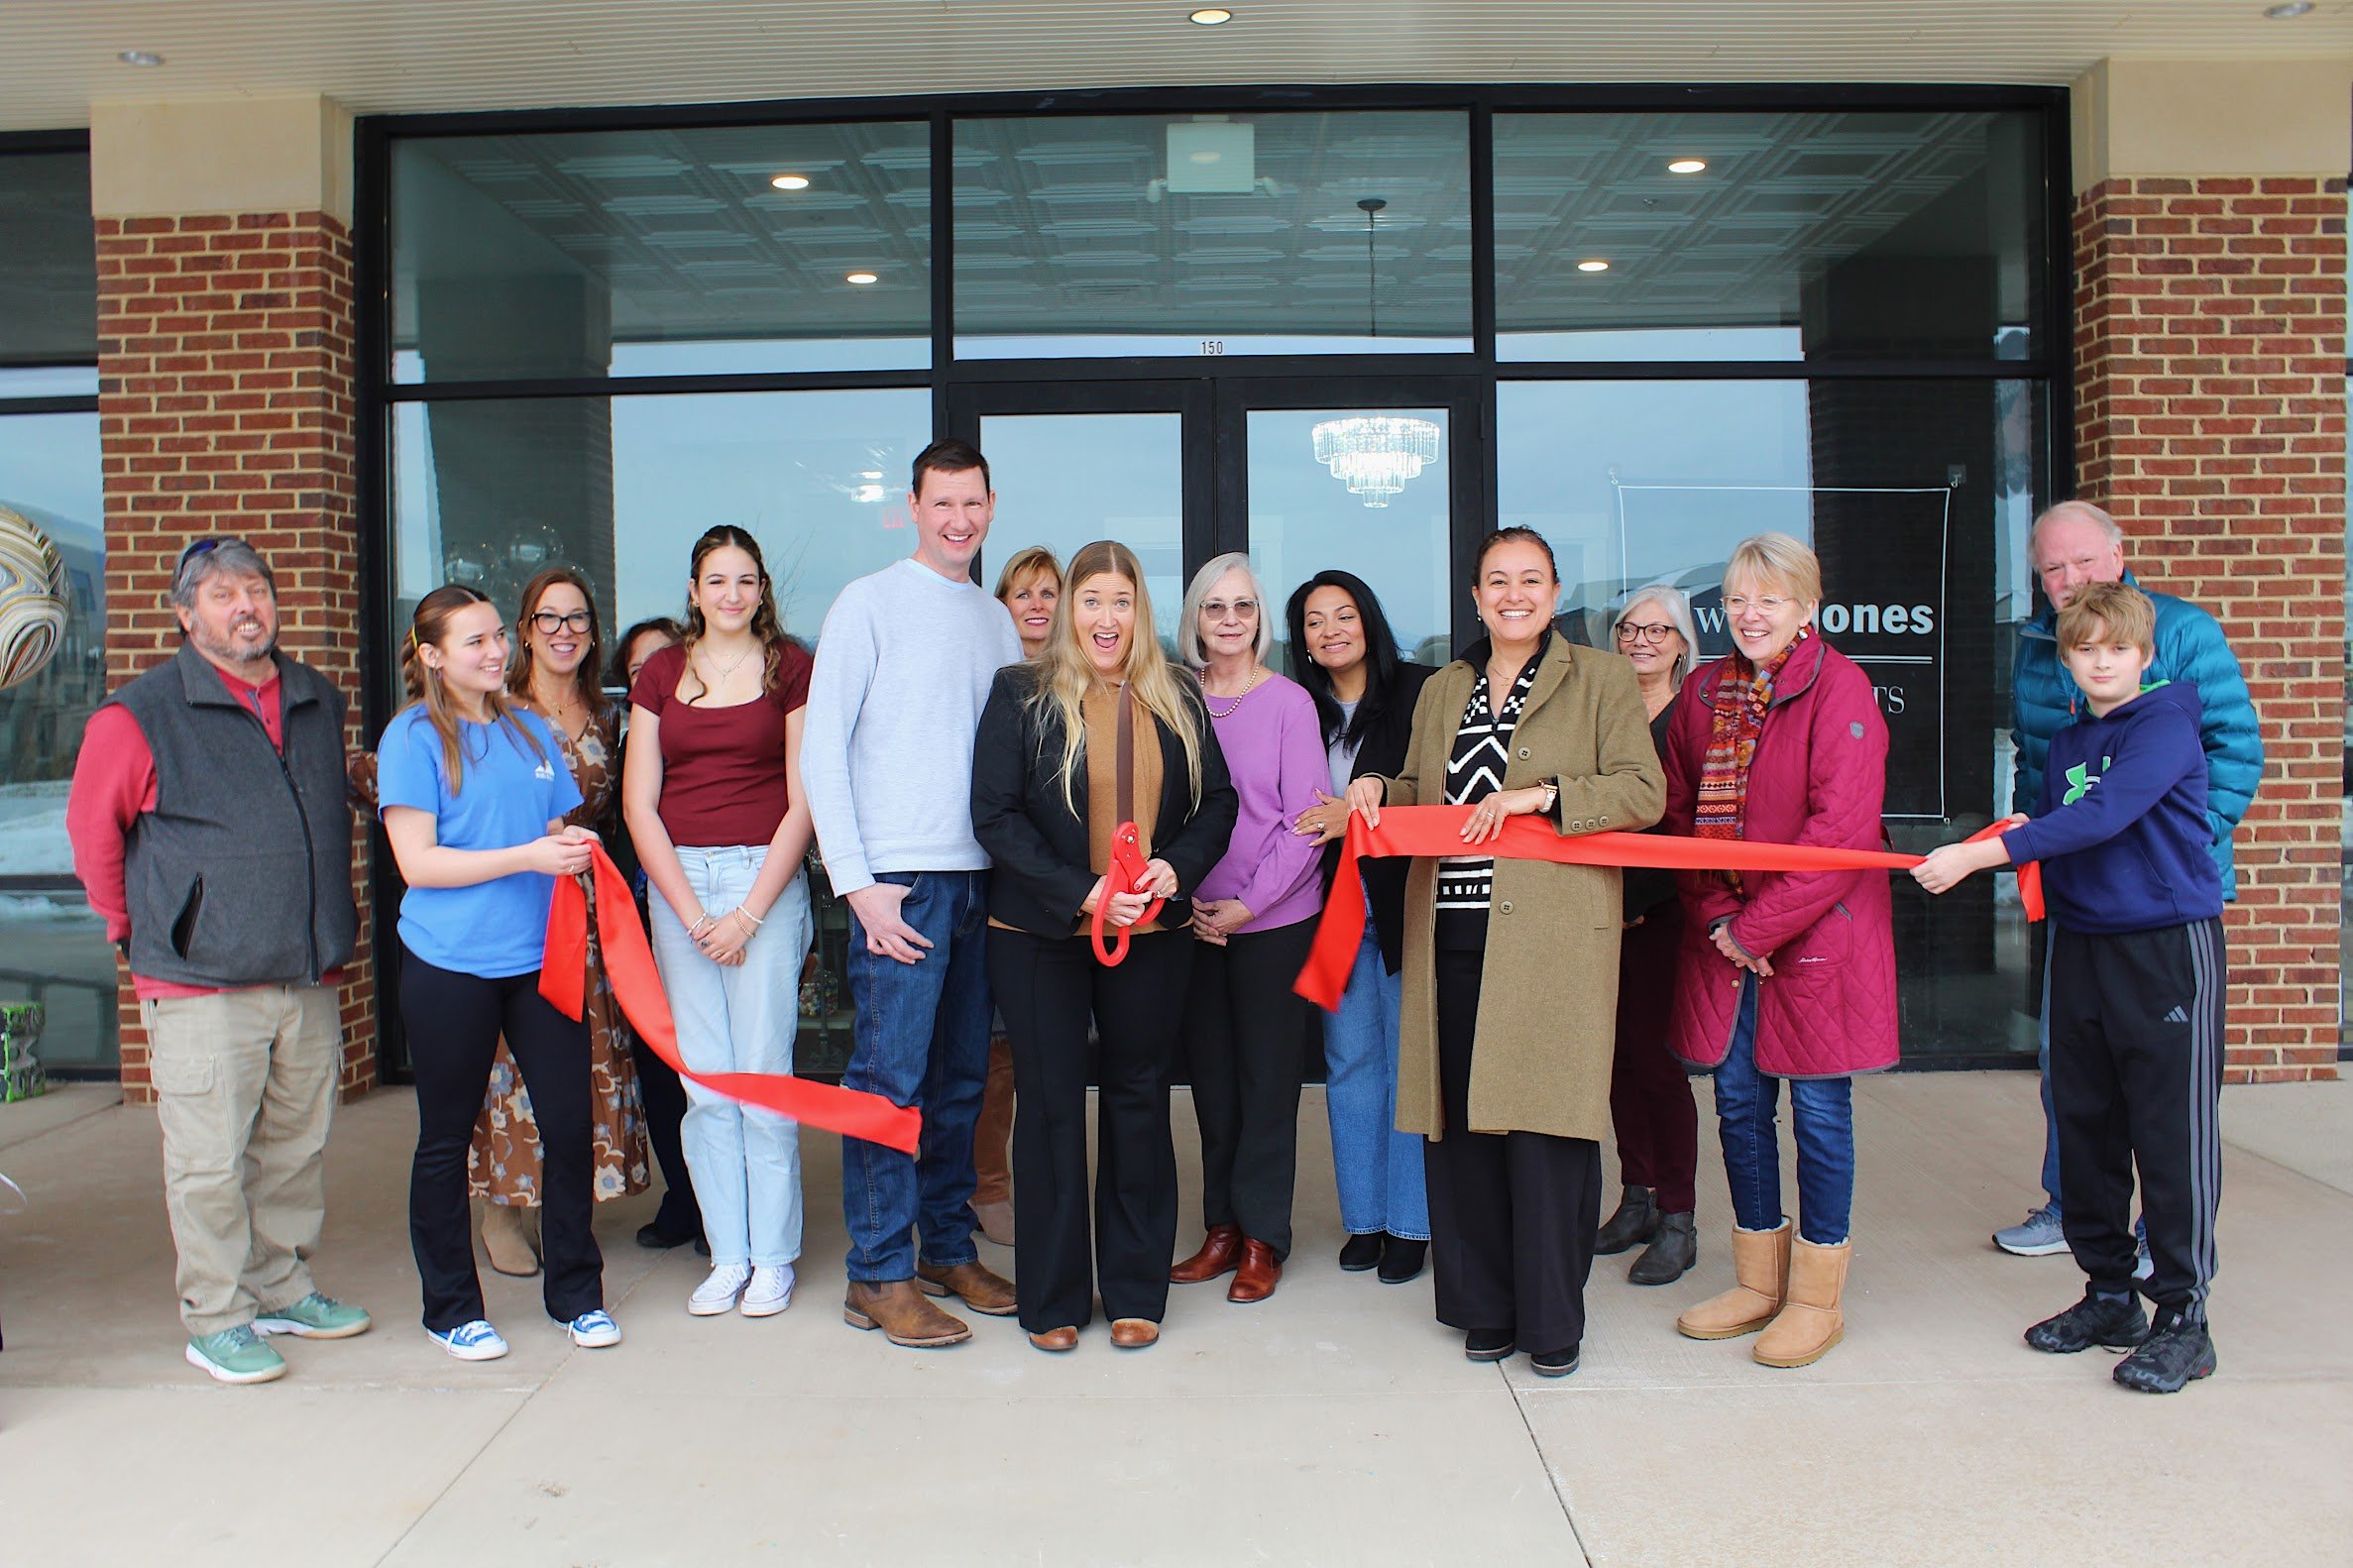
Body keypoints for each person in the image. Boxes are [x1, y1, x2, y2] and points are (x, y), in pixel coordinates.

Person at [1344, 527, 1664, 1377]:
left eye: (1530, 580)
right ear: (1477, 598)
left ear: (1555, 594)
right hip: (1450, 934)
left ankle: (1552, 1323)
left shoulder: (1600, 677)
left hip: (1553, 944)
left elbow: (1642, 789)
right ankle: (1483, 1308)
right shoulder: (1446, 686)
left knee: (1548, 1135)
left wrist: (1544, 796)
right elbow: (1421, 792)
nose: (1513, 595)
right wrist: (1379, 787)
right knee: (1465, 1136)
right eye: (1497, 581)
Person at [66, 536, 371, 1386]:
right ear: (185, 613)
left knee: (294, 1149)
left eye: (258, 590)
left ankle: (278, 1284)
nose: (247, 607)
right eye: (224, 594)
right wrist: (140, 934)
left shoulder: (316, 696)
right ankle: (217, 1316)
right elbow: (96, 838)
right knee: (206, 1163)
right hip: (198, 981)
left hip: (305, 973)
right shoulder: (138, 713)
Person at [1913, 582, 2226, 1395]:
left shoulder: (2165, 724)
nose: (2100, 662)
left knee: (2170, 1133)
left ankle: (2183, 1319)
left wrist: (1978, 858)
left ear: (2145, 655)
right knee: (2084, 1125)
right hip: (2082, 945)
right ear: (2069, 658)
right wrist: (2010, 836)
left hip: (2162, 947)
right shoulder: (2071, 741)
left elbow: (2105, 818)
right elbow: (2056, 829)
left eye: (2116, 649)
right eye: (2085, 649)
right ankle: (2110, 1294)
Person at [972, 540, 1238, 1351]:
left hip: (1151, 936)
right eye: (1092, 600)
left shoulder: (1177, 696)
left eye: (1122, 601)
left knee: (1137, 1100)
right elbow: (995, 817)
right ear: (1068, 611)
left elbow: (1217, 805)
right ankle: (1050, 1301)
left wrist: (1173, 867)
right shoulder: (1019, 692)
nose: (1107, 617)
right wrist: (1080, 891)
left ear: (1141, 613)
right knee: (1051, 1108)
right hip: (1041, 934)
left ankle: (1134, 1290)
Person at [1991, 500, 2262, 1260]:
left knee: (2163, 1091)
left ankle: (2162, 1237)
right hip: (2078, 898)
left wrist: (2163, 853)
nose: (2069, 578)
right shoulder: (2041, 646)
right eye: (2052, 569)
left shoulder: (2179, 632)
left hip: (2160, 902)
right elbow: (2039, 761)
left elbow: (2235, 752)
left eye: (2082, 561)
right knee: (2072, 1073)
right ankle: (2073, 1208)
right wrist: (2025, 841)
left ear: (2118, 555)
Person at [802, 438, 1024, 1348]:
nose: (959, 520)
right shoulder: (869, 603)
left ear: (991, 504)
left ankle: (943, 1246)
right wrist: (858, 887)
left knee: (960, 1080)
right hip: (900, 882)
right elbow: (822, 750)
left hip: (978, 880)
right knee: (888, 1083)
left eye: (972, 504)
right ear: (913, 507)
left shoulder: (995, 621)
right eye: (942, 504)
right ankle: (878, 1273)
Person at [1661, 533, 1893, 1371]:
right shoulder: (1702, 693)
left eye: (1770, 599)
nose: (1750, 614)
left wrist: (1754, 931)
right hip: (1728, 940)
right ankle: (1758, 1281)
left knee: (1821, 1115)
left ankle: (1815, 1297)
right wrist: (1724, 918)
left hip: (1815, 939)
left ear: (1806, 609)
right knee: (1739, 1107)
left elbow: (1841, 834)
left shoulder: (1842, 689)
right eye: (1736, 598)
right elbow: (1680, 821)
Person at [378, 584, 618, 1361]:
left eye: (494, 638)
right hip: (451, 965)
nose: (494, 652)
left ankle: (577, 1296)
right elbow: (416, 864)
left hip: (536, 960)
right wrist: (528, 856)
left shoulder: (526, 730)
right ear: (432, 656)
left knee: (571, 1126)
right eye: (475, 641)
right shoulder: (411, 738)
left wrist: (568, 851)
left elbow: (550, 827)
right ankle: (451, 1309)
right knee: (445, 1139)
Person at [624, 528, 818, 1320]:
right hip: (680, 887)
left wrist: (745, 914)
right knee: (705, 1086)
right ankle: (727, 1254)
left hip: (761, 880)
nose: (731, 594)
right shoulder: (665, 671)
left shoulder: (791, 666)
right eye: (716, 580)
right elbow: (639, 803)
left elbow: (806, 801)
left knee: (763, 1082)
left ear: (762, 588)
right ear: (694, 590)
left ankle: (772, 1258)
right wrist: (693, 911)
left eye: (745, 580)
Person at [467, 569, 650, 1279]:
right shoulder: (493, 711)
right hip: (519, 901)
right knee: (507, 1062)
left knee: (581, 1057)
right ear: (525, 631)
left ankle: (556, 1204)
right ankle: (500, 1209)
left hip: (589, 908)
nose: (565, 631)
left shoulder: (612, 716)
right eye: (550, 618)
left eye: (578, 619)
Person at [1164, 553, 1324, 1304]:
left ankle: (1263, 1237)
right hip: (1189, 918)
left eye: (1245, 607)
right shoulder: (1171, 697)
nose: (1230, 620)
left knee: (1266, 1084)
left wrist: (1249, 906)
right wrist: (1190, 896)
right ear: (1194, 618)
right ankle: (1220, 1229)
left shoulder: (1291, 703)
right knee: (1214, 1086)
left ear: (1261, 619)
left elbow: (1306, 824)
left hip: (1274, 920)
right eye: (1215, 607)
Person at [1288, 570, 1434, 1286]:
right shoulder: (1298, 709)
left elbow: (1442, 792)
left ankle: (1411, 1223)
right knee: (1350, 1065)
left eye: (1344, 615)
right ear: (1304, 641)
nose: (1331, 631)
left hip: (1406, 900)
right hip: (1331, 909)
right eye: (1315, 622)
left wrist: (1361, 815)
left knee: (1412, 1063)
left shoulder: (1421, 691)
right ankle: (1364, 1220)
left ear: (1368, 621)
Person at [1595, 586, 1703, 1287]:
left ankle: (1678, 1218)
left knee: (1659, 1063)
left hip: (1666, 909)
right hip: (1600, 904)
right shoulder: (1602, 707)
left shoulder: (1696, 713)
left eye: (1659, 630)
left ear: (1682, 642)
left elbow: (1692, 822)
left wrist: (1642, 895)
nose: (1642, 640)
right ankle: (1635, 1196)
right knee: (1614, 1062)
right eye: (1631, 628)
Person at [970, 544, 1063, 1249]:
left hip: (1054, 890)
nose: (1035, 605)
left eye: (1048, 592)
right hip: (978, 872)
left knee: (1025, 1049)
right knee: (977, 1045)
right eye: (1020, 592)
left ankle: (1011, 1186)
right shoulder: (990, 675)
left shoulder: (1078, 678)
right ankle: (976, 1186)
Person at [610, 616, 707, 1255]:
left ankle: (717, 1204)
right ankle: (684, 1196)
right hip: (639, 929)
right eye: (639, 670)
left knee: (707, 1068)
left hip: (704, 923)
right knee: (658, 1072)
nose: (654, 676)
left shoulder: (704, 741)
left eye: (664, 662)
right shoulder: (626, 753)